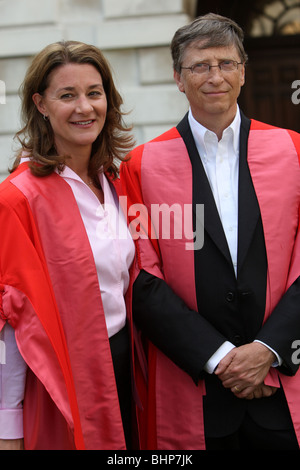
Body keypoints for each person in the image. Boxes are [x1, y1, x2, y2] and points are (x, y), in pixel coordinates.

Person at [120, 13, 300, 450]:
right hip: (194, 384)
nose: (214, 76)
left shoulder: (292, 151)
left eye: (225, 63)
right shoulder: (141, 166)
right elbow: (143, 277)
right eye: (200, 65)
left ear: (242, 71)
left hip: (281, 381)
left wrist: (267, 350)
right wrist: (222, 359)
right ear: (179, 78)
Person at [0, 40, 136, 450]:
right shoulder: (18, 199)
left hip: (125, 367)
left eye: (94, 93)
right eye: (67, 95)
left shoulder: (114, 182)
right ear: (41, 104)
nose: (84, 107)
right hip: (61, 380)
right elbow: (12, 321)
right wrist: (8, 428)